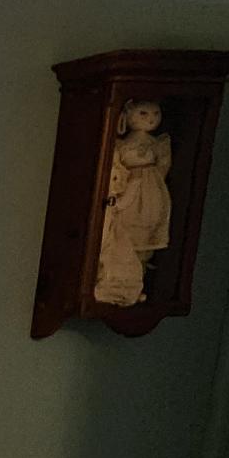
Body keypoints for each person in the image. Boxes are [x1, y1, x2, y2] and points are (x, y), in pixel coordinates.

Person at [93, 99, 173, 306]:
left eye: (155, 114)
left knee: (143, 241)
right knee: (122, 238)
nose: (151, 119)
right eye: (143, 113)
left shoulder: (157, 145)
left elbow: (163, 167)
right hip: (128, 193)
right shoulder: (121, 146)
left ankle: (137, 283)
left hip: (149, 196)